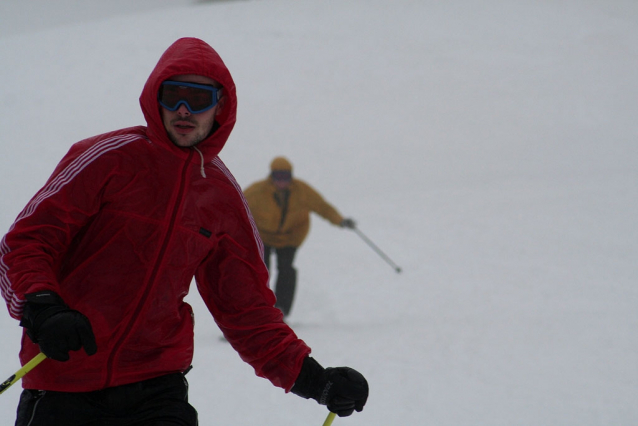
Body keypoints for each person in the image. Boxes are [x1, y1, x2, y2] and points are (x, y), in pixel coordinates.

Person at [0, 37, 368, 426]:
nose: (183, 109)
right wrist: (43, 307)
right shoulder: (107, 159)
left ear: (220, 107)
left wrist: (313, 379)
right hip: (65, 377)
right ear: (154, 98)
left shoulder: (222, 197)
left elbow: (247, 309)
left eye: (199, 98)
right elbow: (27, 241)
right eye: (172, 95)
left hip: (157, 386)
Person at [243, 157, 356, 318]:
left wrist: (340, 220)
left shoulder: (302, 191)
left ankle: (281, 309)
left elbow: (322, 206)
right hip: (263, 236)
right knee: (260, 270)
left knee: (286, 269)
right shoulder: (256, 192)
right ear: (271, 176)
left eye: (286, 176)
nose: (282, 181)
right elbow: (237, 208)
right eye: (278, 176)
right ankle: (257, 308)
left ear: (291, 176)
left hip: (292, 235)